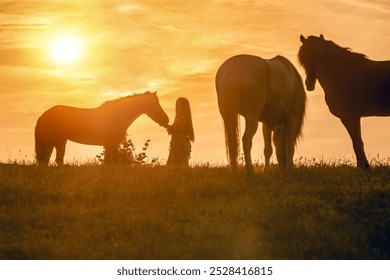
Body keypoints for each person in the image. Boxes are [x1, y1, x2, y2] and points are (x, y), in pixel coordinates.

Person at [167, 97, 195, 166]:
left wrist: (169, 127)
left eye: (179, 105)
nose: (178, 106)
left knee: (177, 163)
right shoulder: (180, 116)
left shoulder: (182, 116)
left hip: (180, 142)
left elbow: (179, 129)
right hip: (177, 142)